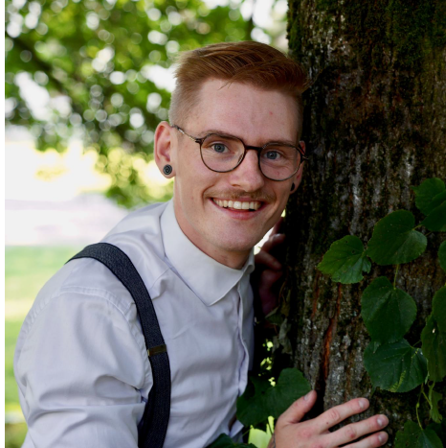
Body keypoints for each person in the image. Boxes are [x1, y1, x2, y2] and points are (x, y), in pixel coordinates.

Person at [14, 41, 389, 448]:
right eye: (219, 146)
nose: (249, 179)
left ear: (298, 168)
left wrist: (253, 303)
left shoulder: (242, 276)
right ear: (165, 150)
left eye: (274, 153)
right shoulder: (95, 312)